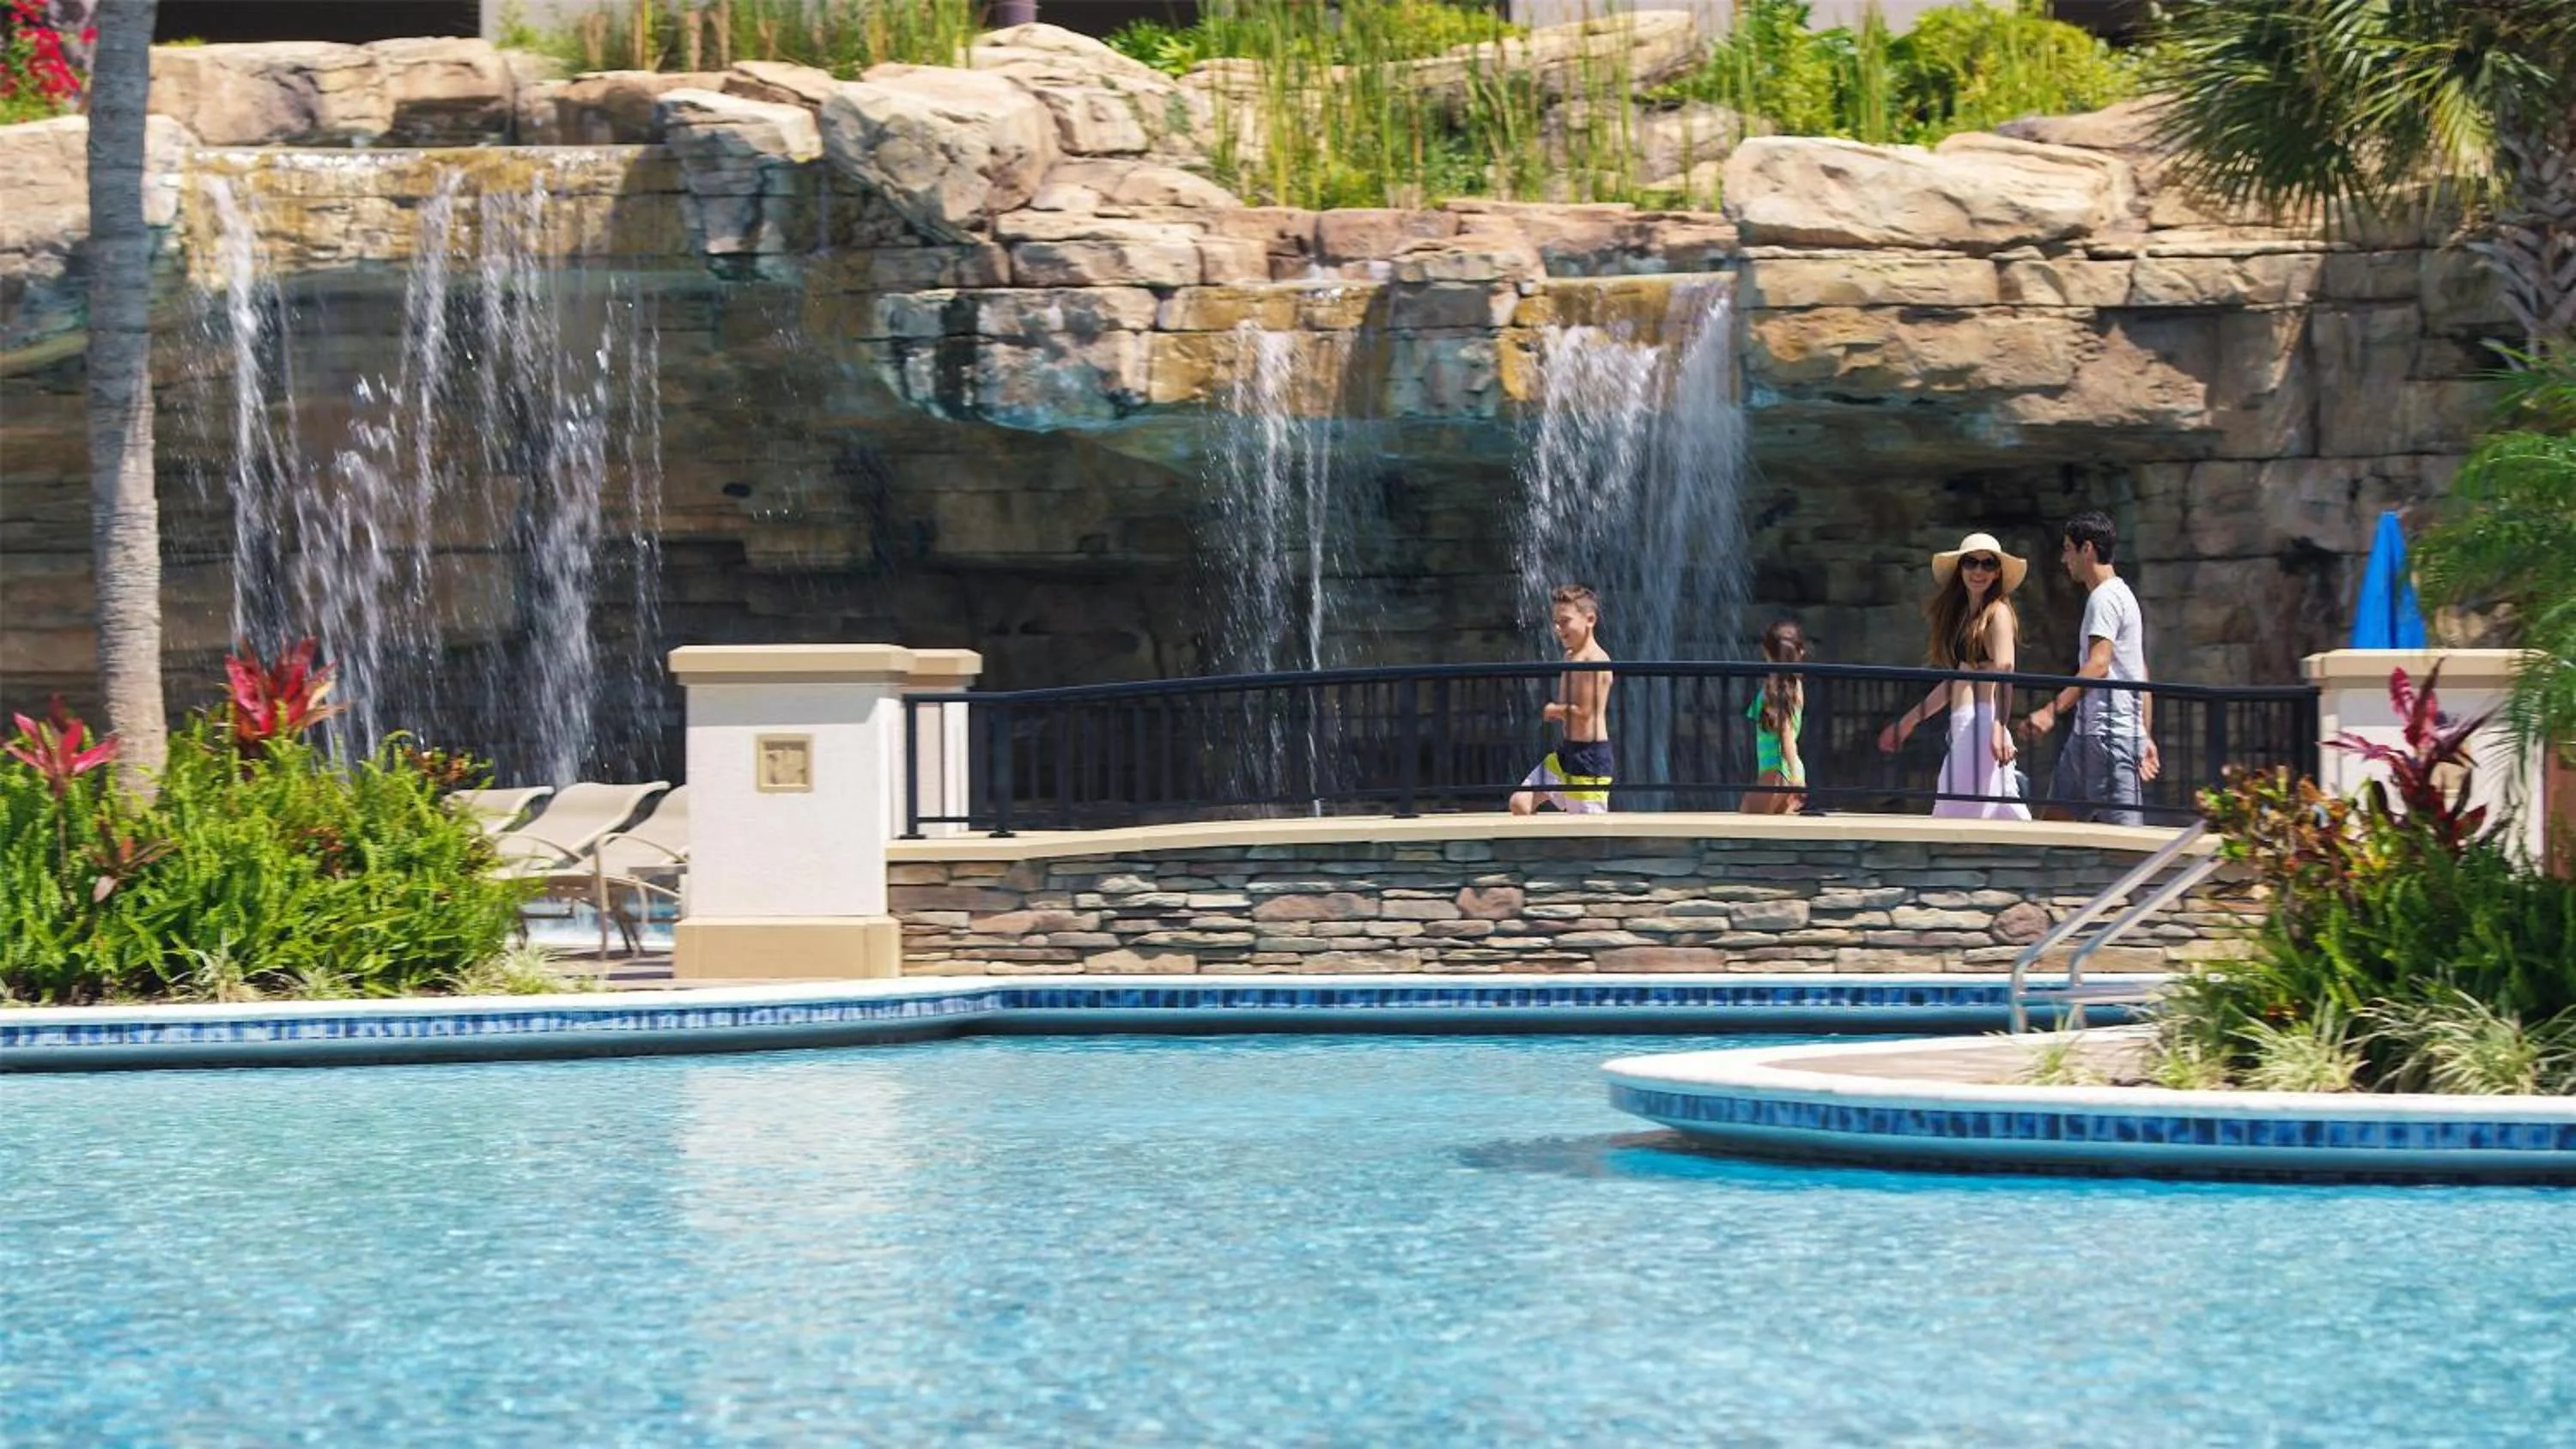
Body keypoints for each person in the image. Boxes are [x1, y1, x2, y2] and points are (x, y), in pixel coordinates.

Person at [1877, 531, 2031, 820]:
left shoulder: (1997, 613)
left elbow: (2006, 670)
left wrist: (1999, 727)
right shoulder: (1967, 617)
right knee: (1999, 816)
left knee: (1952, 818)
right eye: (1971, 563)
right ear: (1961, 568)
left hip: (1981, 728)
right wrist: (1908, 722)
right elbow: (1956, 682)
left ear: (1997, 572)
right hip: (1967, 727)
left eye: (1988, 564)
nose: (1978, 571)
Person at [2022, 510, 2160, 825]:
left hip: (2108, 741)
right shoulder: (2122, 595)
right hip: (2086, 739)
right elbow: (2142, 673)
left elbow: (2098, 664)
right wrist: (2146, 735)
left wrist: (2049, 711)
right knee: (2053, 831)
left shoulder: (2105, 599)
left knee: (2126, 848)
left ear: (2087, 549)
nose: (2063, 558)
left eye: (2068, 548)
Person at [1510, 583, 1614, 815]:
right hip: (1566, 753)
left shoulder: (1595, 660)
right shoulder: (1569, 656)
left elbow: (1585, 712)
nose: (1559, 628)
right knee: (1520, 802)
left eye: (1565, 621)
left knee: (1586, 837)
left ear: (1590, 620)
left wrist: (1556, 709)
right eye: (1556, 622)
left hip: (1590, 759)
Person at [1741, 618, 1807, 815]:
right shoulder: (1795, 686)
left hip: (1775, 774)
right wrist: (1796, 774)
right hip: (1789, 770)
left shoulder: (1775, 689)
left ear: (1765, 651)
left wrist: (1796, 779)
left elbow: (1785, 733)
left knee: (1738, 837)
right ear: (1801, 653)